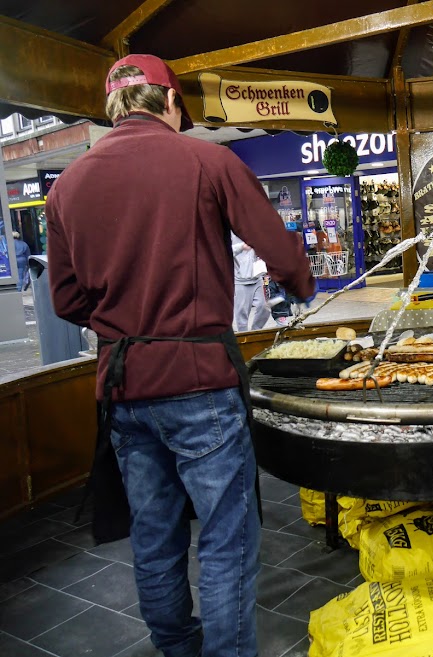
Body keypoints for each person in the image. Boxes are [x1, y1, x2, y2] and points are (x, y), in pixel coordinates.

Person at [45, 53, 316, 657]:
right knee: (226, 539)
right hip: (200, 385)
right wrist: (303, 286)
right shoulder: (207, 161)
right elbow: (283, 256)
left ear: (114, 106)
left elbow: (66, 299)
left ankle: (177, 648)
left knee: (154, 534)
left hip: (123, 388)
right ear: (170, 100)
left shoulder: (67, 186)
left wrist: (126, 322)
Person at [232, 233, 271, 331]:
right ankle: (244, 335)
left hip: (256, 278)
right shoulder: (231, 232)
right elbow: (224, 251)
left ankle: (255, 331)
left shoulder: (253, 229)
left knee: (265, 308)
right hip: (240, 280)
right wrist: (241, 247)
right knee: (242, 313)